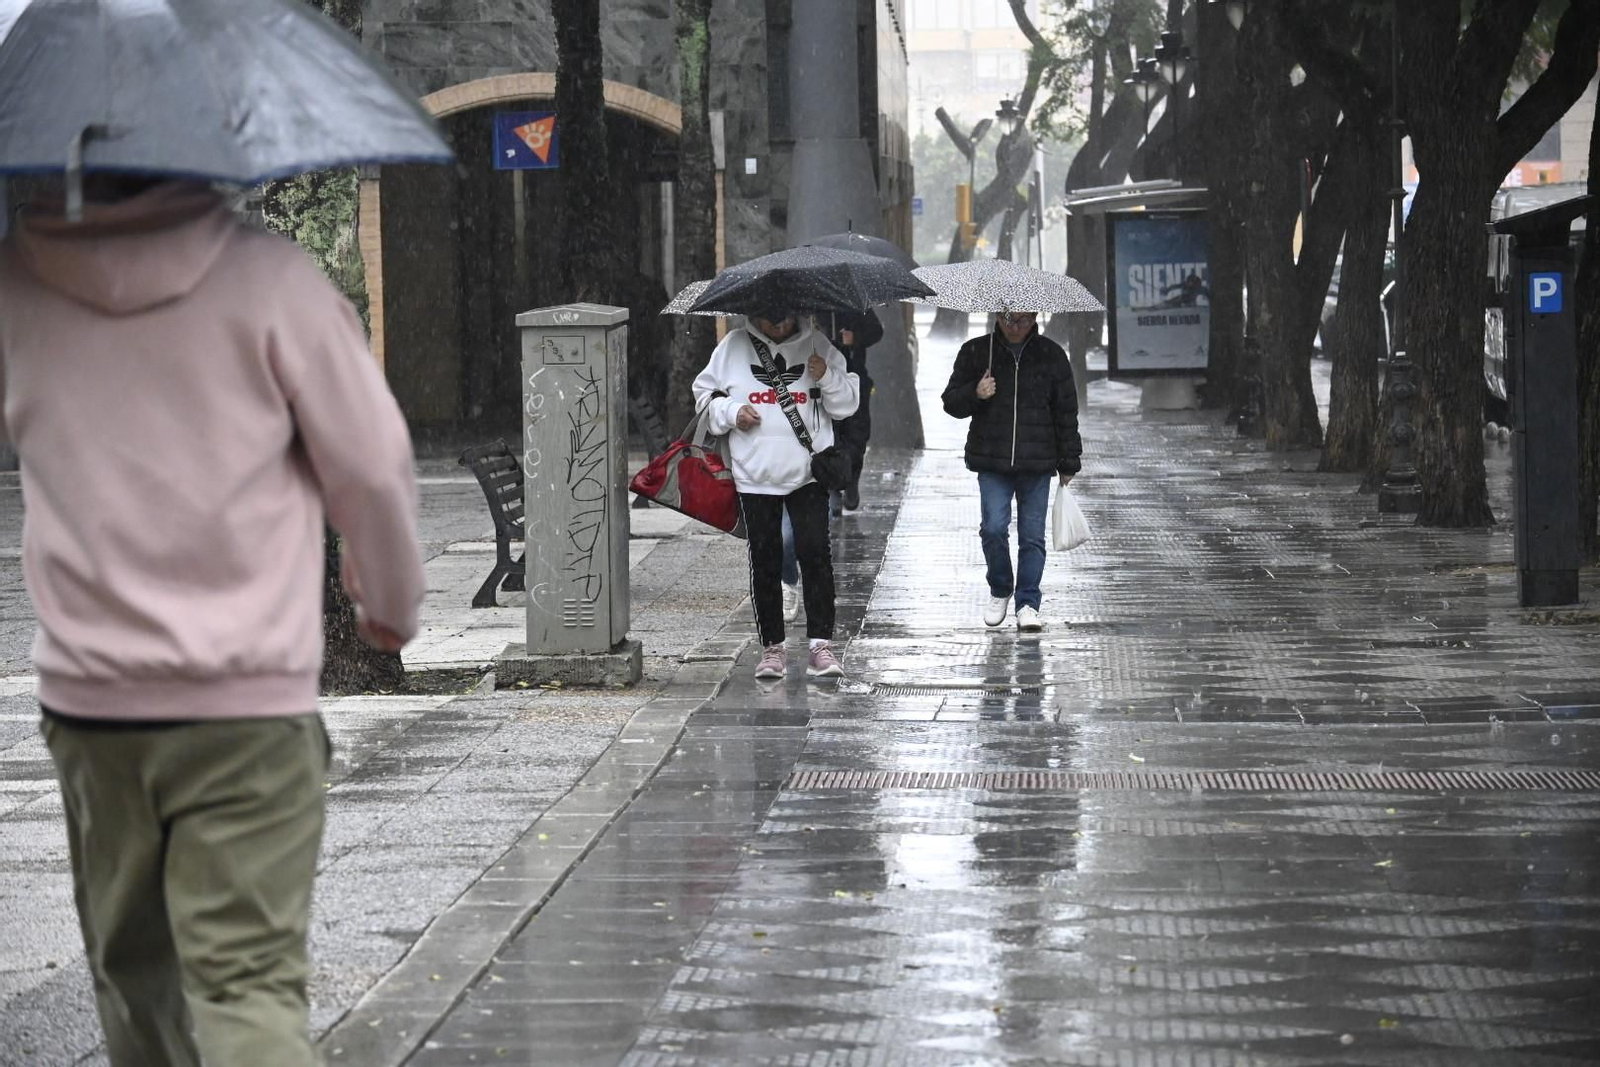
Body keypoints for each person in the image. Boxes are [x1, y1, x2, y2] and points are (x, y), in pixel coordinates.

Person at [0, 177, 425, 1066]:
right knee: (247, 985)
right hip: (245, 704)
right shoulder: (271, 282)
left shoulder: (22, 284)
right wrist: (387, 601)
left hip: (94, 710)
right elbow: (373, 465)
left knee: (135, 978)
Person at [693, 309, 858, 679]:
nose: (778, 324)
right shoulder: (733, 345)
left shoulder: (819, 344)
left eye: (783, 317)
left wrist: (827, 376)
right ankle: (772, 648)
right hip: (754, 474)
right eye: (771, 318)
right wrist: (732, 411)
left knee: (815, 555)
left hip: (808, 473)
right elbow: (703, 398)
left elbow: (848, 405)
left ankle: (821, 646)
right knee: (765, 560)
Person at [940, 309, 1081, 632]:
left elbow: (1066, 411)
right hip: (992, 459)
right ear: (997, 317)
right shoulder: (977, 351)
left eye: (1021, 320)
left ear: (1034, 318)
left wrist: (1069, 460)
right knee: (992, 527)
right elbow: (950, 402)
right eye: (1007, 319)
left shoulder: (1051, 355)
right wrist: (975, 393)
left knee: (1032, 536)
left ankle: (1028, 602)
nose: (1013, 327)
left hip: (1038, 461)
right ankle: (1000, 588)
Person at [822, 308, 884, 512]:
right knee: (830, 435)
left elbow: (876, 331)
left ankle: (852, 479)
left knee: (857, 435)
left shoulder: (855, 304)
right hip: (823, 382)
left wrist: (855, 338)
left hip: (856, 379)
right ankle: (832, 486)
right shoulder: (814, 306)